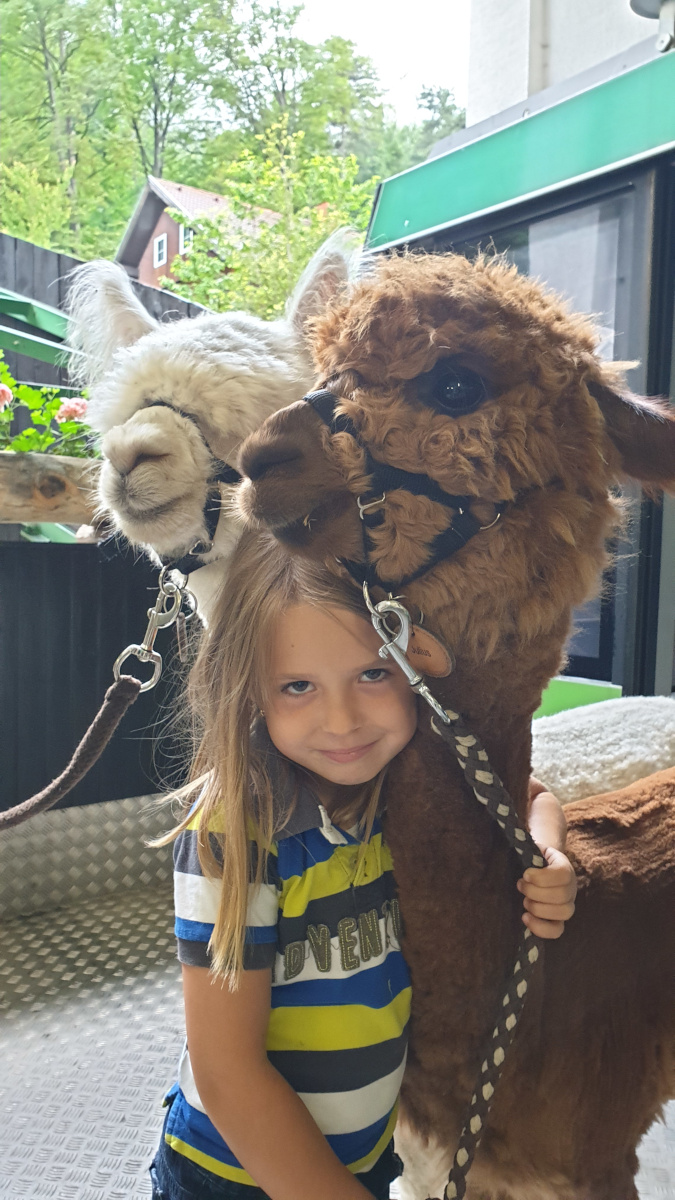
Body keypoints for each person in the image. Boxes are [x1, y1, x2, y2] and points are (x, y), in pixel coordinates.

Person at [149, 530, 577, 1200]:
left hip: (365, 1162)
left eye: (372, 675)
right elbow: (228, 1071)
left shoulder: (408, 779)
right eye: (297, 686)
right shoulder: (235, 833)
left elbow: (529, 794)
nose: (342, 721)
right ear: (248, 692)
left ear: (413, 667)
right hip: (232, 1176)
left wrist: (545, 854)